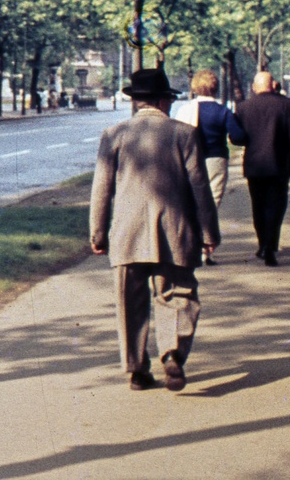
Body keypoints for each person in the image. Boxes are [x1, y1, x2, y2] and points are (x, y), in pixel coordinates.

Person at [90, 67, 220, 392]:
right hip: (174, 233)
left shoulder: (114, 134)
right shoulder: (184, 134)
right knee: (177, 294)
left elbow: (101, 190)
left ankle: (136, 370)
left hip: (127, 234)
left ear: (136, 101)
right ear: (164, 100)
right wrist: (208, 234)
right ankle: (172, 352)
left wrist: (98, 234)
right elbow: (200, 188)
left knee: (129, 302)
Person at [173, 69, 248, 264]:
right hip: (216, 159)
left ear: (195, 87)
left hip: (190, 159)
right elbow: (238, 137)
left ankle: (189, 243)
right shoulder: (222, 111)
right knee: (211, 202)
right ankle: (206, 247)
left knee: (190, 199)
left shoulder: (184, 111)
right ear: (215, 87)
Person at [233, 71, 290, 266]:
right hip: (279, 165)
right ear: (273, 85)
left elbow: (236, 138)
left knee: (258, 205)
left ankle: (262, 243)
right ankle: (271, 245)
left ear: (255, 87)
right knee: (277, 205)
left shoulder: (243, 107)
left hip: (254, 165)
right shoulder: (285, 105)